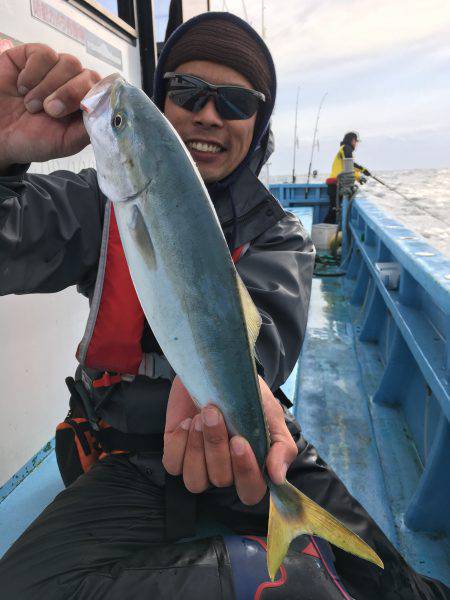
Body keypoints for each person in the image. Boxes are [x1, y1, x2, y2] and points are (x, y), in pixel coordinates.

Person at [0, 12, 448, 600]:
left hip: (255, 448)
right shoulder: (102, 201)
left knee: (397, 587)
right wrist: (3, 154)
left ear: (258, 123)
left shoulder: (280, 233)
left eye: (236, 101)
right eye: (187, 92)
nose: (209, 114)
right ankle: (268, 579)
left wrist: (246, 398)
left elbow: (263, 339)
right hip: (130, 454)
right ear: (161, 105)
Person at [324, 131, 371, 224]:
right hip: (337, 185)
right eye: (356, 141)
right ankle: (323, 233)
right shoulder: (346, 148)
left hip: (337, 184)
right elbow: (350, 167)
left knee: (334, 211)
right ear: (352, 140)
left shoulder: (344, 149)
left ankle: (328, 232)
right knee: (333, 211)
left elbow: (350, 166)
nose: (356, 144)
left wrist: (360, 174)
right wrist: (362, 171)